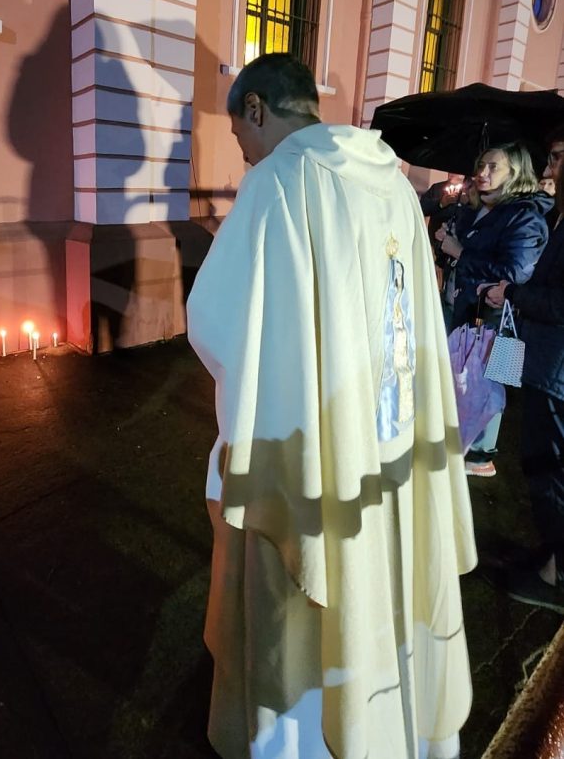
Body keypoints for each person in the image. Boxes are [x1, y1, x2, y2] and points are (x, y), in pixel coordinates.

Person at [186, 53, 476, 759]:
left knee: (303, 598)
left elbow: (218, 324)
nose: (244, 154)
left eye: (238, 135)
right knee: (385, 574)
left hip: (320, 444)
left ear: (257, 108)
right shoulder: (396, 184)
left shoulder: (280, 181)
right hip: (391, 437)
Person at [482, 136, 564, 613]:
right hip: (544, 363)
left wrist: (512, 290)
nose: (548, 166)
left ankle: (554, 576)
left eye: (556, 156)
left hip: (555, 368)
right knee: (542, 466)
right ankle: (550, 554)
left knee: (549, 469)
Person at [434, 142, 551, 476]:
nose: (482, 173)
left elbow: (517, 271)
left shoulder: (524, 214)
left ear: (515, 173)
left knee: (491, 382)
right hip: (468, 309)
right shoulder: (480, 208)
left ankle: (482, 455)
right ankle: (462, 441)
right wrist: (448, 242)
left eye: (493, 167)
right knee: (466, 378)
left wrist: (460, 253)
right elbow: (461, 254)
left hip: (498, 319)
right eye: (481, 165)